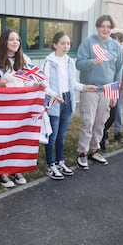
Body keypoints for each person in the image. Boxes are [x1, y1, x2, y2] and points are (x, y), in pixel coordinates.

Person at [0, 28, 39, 187]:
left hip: (22, 106)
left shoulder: (25, 59)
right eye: (12, 39)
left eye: (18, 40)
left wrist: (37, 84)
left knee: (19, 137)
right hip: (3, 107)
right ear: (4, 42)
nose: (16, 42)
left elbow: (29, 81)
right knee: (4, 138)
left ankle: (16, 168)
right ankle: (2, 171)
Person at [43, 32, 97, 179]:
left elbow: (72, 83)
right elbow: (44, 85)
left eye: (68, 43)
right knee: (52, 136)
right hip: (55, 100)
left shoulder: (69, 61)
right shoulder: (49, 62)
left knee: (61, 135)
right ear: (55, 45)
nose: (66, 46)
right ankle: (50, 165)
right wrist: (54, 95)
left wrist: (85, 87)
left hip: (67, 99)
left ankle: (60, 161)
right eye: (62, 43)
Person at [75, 14, 123, 170]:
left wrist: (113, 94)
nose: (105, 29)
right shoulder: (88, 42)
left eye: (108, 26)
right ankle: (82, 153)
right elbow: (79, 64)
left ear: (111, 29)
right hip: (90, 89)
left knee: (100, 122)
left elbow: (118, 71)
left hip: (106, 91)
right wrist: (93, 61)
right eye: (102, 26)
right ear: (97, 27)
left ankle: (94, 150)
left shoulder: (116, 47)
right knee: (88, 122)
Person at [100, 32, 123, 151]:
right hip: (108, 87)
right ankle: (102, 137)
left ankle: (107, 132)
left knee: (114, 114)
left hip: (118, 88)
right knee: (106, 113)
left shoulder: (122, 57)